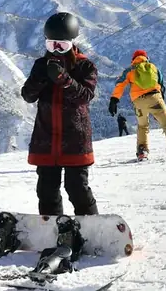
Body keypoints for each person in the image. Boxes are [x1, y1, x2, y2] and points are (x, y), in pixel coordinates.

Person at [20, 12, 99, 217]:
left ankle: (92, 227)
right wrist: (40, 78)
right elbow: (28, 96)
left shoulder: (85, 66)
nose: (56, 50)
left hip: (75, 138)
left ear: (72, 43)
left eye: (61, 45)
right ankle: (52, 230)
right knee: (46, 191)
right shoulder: (41, 65)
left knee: (77, 189)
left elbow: (85, 96)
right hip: (46, 138)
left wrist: (65, 80)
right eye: (51, 44)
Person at [109, 50, 166, 160]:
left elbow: (120, 84)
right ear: (146, 57)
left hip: (138, 102)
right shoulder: (154, 68)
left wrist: (114, 99)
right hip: (155, 98)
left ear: (133, 59)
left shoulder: (130, 70)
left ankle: (142, 152)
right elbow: (161, 85)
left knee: (142, 126)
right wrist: (160, 103)